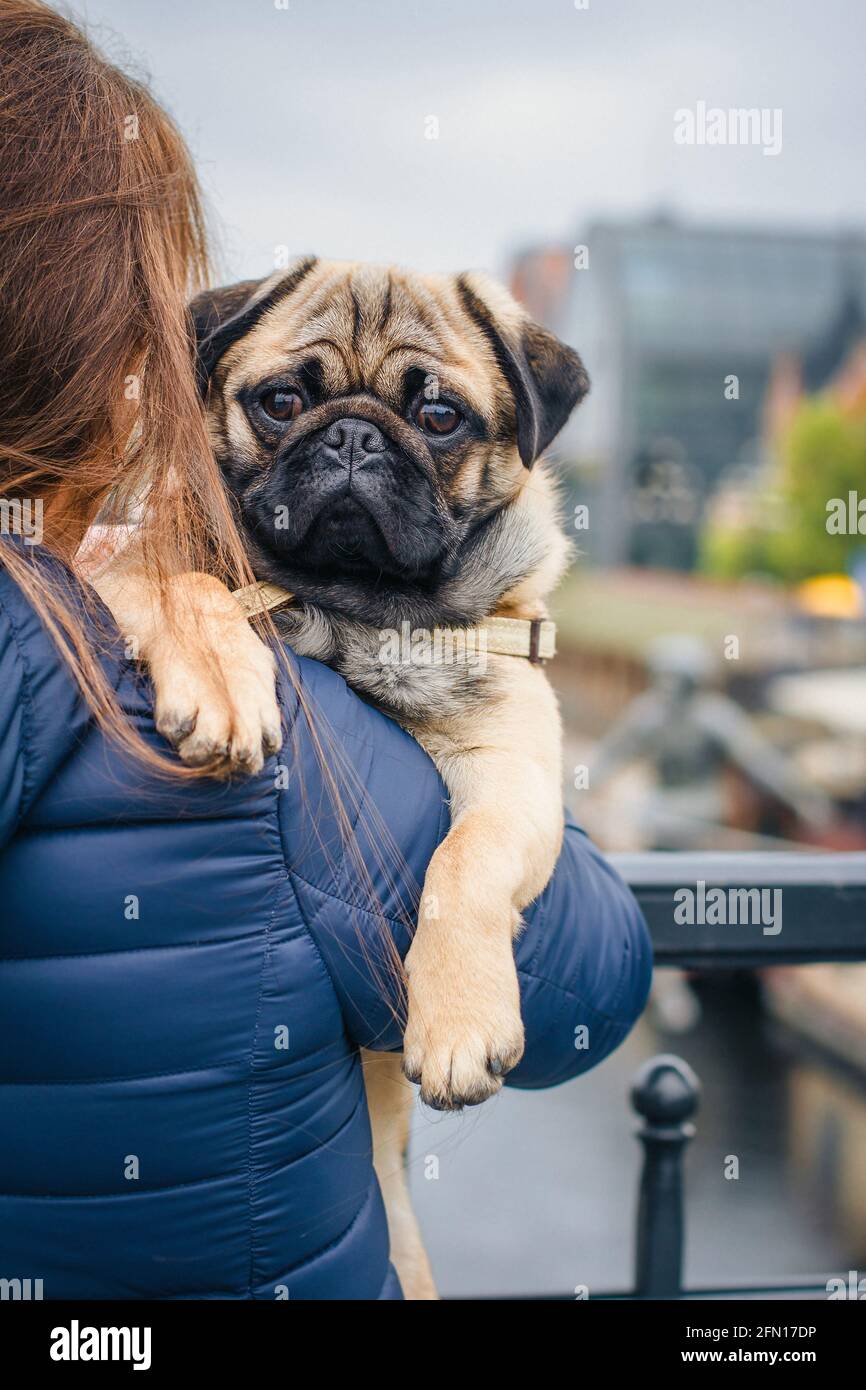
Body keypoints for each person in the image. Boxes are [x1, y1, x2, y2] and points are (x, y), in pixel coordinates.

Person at [0, 0, 651, 1299]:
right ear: (120, 335)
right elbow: (581, 991)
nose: (351, 446)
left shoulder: (118, 623)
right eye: (290, 402)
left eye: (426, 416)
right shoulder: (258, 744)